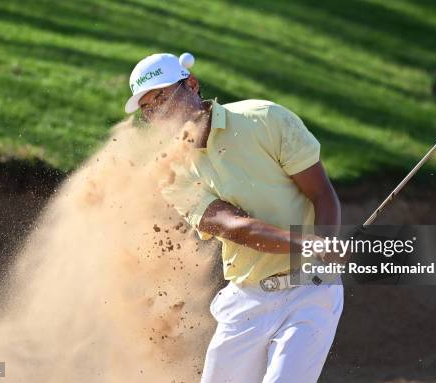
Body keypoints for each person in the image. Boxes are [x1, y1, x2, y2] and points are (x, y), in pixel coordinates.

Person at [124, 52, 344, 383]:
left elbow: (321, 193)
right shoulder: (171, 172)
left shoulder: (265, 119)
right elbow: (235, 227)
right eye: (148, 110)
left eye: (163, 97)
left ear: (192, 85)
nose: (159, 113)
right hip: (246, 296)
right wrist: (306, 242)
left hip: (309, 290)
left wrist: (325, 245)